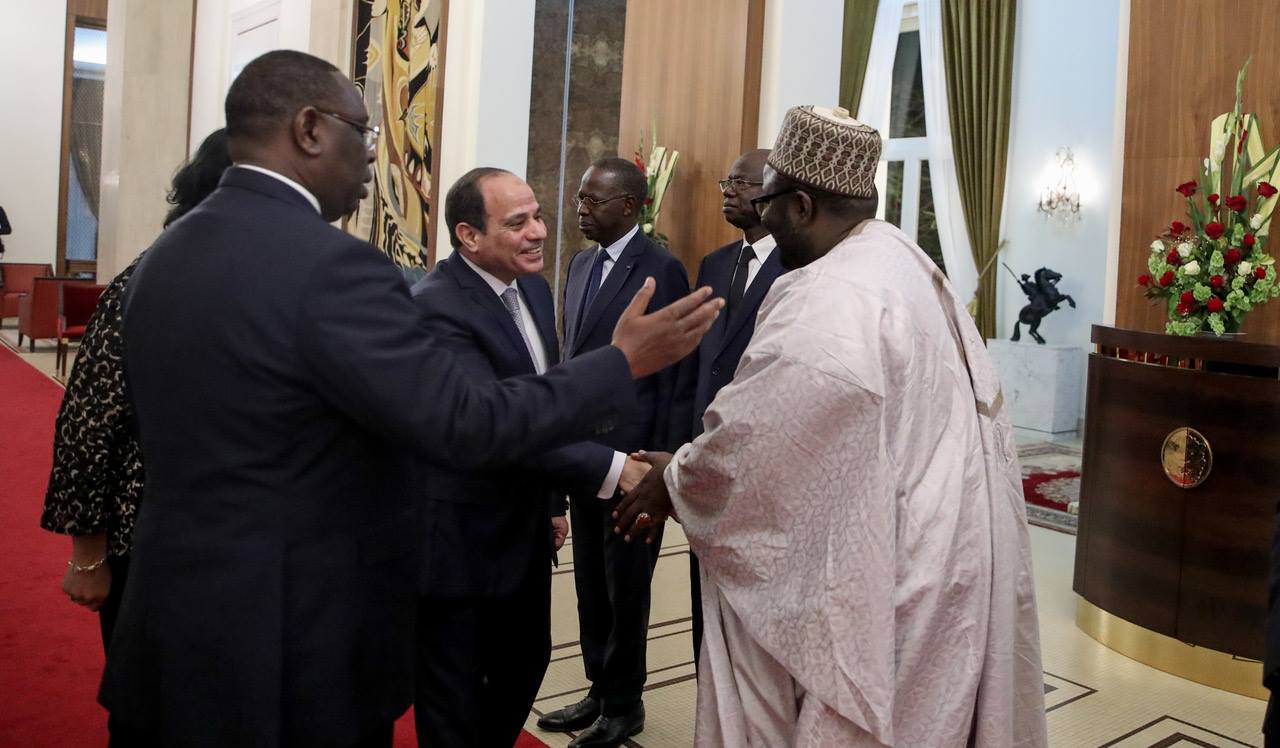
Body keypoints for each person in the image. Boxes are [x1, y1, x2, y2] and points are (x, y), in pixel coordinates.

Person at [98, 50, 721, 748]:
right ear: (309, 129)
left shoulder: (163, 258)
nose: (372, 157)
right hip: (283, 640)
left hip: (167, 621)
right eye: (362, 133)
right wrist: (621, 362)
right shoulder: (333, 268)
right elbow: (465, 420)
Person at [614, 105, 1048, 746]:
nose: (762, 217)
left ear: (802, 206)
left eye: (768, 203)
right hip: (942, 552)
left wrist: (675, 478)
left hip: (888, 574)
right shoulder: (904, 263)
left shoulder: (827, 301)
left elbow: (757, 448)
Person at [408, 167, 650, 747]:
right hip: (460, 543)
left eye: (538, 215)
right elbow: (498, 423)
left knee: (524, 663)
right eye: (518, 223)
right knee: (456, 703)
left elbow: (544, 401)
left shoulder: (533, 290)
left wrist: (552, 504)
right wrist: (617, 469)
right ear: (469, 236)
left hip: (525, 533)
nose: (539, 231)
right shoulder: (436, 308)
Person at [38, 128, 231, 745]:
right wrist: (87, 557)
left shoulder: (261, 284)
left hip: (235, 551)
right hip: (149, 545)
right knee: (155, 715)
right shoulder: (147, 281)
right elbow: (88, 427)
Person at [535, 158, 689, 747]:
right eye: (579, 198)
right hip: (582, 453)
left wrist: (659, 463)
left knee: (627, 588)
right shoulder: (578, 265)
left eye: (592, 201)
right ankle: (599, 689)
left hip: (633, 461)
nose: (580, 209)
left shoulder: (661, 267)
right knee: (590, 585)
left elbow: (672, 372)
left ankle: (625, 704)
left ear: (629, 206)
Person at [668, 148, 784, 668]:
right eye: (726, 182)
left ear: (772, 192)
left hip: (760, 455)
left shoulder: (798, 266)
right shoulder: (714, 263)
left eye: (741, 182)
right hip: (706, 447)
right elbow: (697, 360)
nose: (728, 191)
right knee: (703, 585)